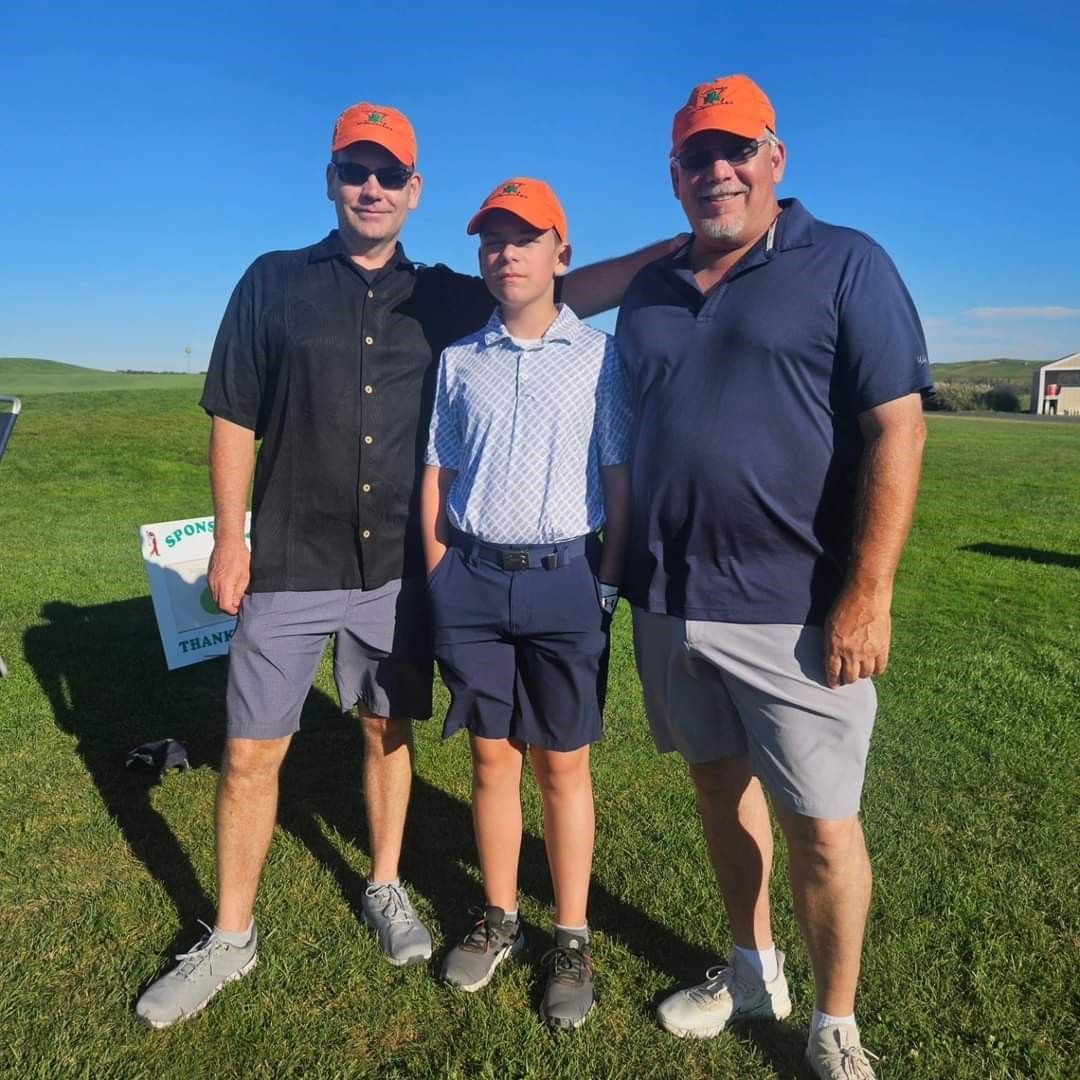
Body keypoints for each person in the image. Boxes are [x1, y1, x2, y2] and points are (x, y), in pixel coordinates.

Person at [135, 103, 677, 1029]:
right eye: (357, 170)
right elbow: (232, 414)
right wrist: (232, 538)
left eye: (391, 174)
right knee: (250, 750)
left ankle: (386, 884)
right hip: (292, 559)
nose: (372, 188)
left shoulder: (448, 295)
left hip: (394, 569)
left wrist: (672, 250)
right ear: (332, 178)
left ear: (415, 190)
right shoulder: (272, 282)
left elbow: (559, 288)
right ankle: (230, 934)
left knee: (388, 731)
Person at [615, 76, 930, 1079]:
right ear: (673, 177)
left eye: (737, 150)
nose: (719, 171)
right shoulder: (652, 290)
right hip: (669, 600)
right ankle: (753, 966)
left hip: (796, 611)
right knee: (717, 789)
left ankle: (834, 1021)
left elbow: (897, 426)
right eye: (697, 157)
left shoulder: (845, 263)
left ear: (776, 158)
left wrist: (868, 592)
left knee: (825, 832)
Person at [420, 178, 630, 1030]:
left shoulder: (601, 357)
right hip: (470, 578)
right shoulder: (458, 359)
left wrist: (605, 585)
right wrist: (438, 572)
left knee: (562, 765)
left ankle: (571, 936)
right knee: (490, 759)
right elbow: (436, 471)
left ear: (561, 254)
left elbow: (619, 477)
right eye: (492, 239)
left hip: (565, 578)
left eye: (524, 237)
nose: (505, 253)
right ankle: (501, 916)